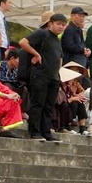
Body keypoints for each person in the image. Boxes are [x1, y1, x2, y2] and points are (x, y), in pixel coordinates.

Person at [19, 12, 67, 142]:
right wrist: (36, 54)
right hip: (40, 74)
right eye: (58, 24)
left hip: (54, 77)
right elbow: (23, 42)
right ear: (50, 23)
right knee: (38, 103)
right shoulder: (42, 33)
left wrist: (58, 73)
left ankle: (46, 131)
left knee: (49, 106)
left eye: (63, 25)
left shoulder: (57, 40)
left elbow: (60, 57)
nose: (61, 27)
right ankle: (35, 131)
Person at [61, 6, 89, 71]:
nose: (82, 18)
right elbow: (69, 46)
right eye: (79, 15)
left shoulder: (79, 29)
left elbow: (82, 44)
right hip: (71, 62)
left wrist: (87, 49)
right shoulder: (69, 29)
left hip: (79, 61)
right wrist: (83, 50)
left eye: (83, 16)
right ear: (72, 16)